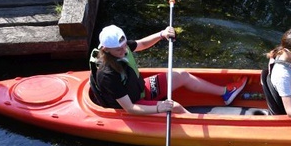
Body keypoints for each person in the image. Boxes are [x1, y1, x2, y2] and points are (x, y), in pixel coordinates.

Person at [90, 24, 247, 114]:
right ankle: (193, 123)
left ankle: (225, 93)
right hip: (134, 103)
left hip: (141, 89)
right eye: (119, 49)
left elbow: (142, 44)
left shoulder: (121, 46)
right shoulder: (107, 75)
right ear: (105, 49)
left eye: (124, 46)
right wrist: (160, 107)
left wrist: (161, 34)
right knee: (175, 106)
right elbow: (130, 108)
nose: (124, 51)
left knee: (181, 75)